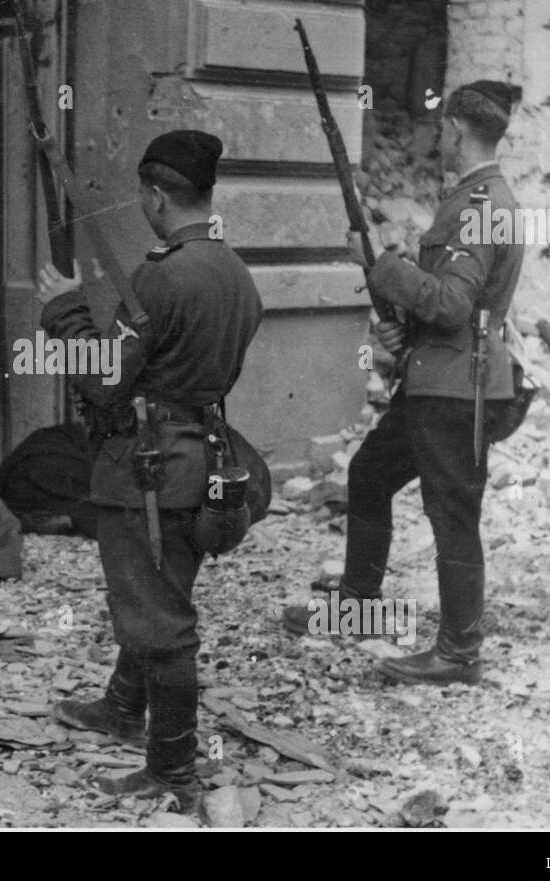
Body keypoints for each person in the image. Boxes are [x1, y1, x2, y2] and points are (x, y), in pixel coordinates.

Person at [36, 130, 263, 813]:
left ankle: (172, 767)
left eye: (143, 194)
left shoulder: (162, 275)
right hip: (206, 459)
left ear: (158, 197)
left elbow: (106, 382)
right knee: (159, 591)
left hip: (147, 472)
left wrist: (66, 309)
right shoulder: (235, 272)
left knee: (160, 621)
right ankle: (121, 704)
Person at [281, 80, 524, 685]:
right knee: (369, 474)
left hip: (456, 390)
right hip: (435, 379)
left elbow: (450, 304)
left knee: (453, 515)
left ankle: (458, 655)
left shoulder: (482, 207)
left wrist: (385, 267)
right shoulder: (472, 198)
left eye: (443, 125)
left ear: (458, 130)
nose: (438, 134)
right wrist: (405, 330)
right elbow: (446, 308)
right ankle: (360, 608)